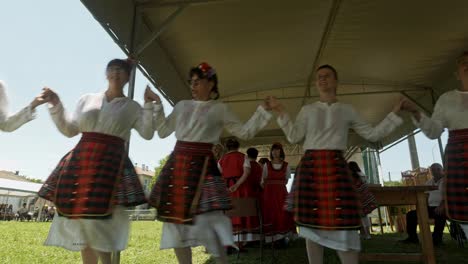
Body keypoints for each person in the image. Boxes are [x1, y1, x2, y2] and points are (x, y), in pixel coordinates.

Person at [269, 64, 404, 264]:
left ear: (336, 81)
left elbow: (372, 134)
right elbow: (293, 135)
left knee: (344, 224)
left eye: (327, 76)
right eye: (319, 77)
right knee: (310, 225)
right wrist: (281, 112)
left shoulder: (347, 109)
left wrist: (395, 112)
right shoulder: (308, 109)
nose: (322, 79)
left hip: (336, 168)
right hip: (310, 168)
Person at [148, 62, 273, 264]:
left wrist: (263, 111)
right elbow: (162, 131)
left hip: (204, 168)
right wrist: (157, 104)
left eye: (198, 82)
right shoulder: (182, 106)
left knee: (212, 225)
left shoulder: (220, 109)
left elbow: (245, 132)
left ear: (211, 83)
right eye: (192, 82)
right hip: (178, 166)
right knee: (176, 224)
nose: (193, 86)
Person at [37, 59, 158, 264]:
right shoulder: (87, 99)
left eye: (122, 69)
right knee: (83, 221)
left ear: (128, 77)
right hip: (82, 160)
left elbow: (147, 133)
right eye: (112, 68)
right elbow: (70, 130)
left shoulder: (132, 106)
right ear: (106, 73)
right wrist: (56, 104)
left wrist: (148, 105)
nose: (116, 72)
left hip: (110, 164)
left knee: (99, 222)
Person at [400, 51, 468, 238]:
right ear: (457, 73)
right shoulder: (447, 99)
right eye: (462, 63)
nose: (467, 65)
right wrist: (416, 113)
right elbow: (434, 131)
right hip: (459, 161)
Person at [400, 163, 446, 246]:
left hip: (444, 206)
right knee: (411, 215)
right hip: (430, 207)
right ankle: (412, 238)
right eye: (433, 170)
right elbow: (425, 196)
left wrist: (442, 206)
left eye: (438, 169)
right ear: (431, 172)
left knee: (440, 214)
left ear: (442, 170)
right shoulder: (429, 182)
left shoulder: (446, 181)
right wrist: (422, 207)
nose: (436, 171)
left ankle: (436, 240)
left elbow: (449, 195)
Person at [261, 143, 296, 245]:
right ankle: (272, 239)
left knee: (283, 214)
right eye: (273, 150)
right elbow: (262, 181)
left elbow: (286, 181)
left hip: (281, 194)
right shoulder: (266, 165)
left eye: (277, 150)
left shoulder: (286, 165)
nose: (275, 152)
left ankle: (282, 238)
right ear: (271, 152)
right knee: (271, 214)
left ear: (281, 152)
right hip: (269, 194)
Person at [348, 161, 377, 240]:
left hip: (360, 199)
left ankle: (365, 234)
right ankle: (366, 234)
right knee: (364, 217)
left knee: (361, 217)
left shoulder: (352, 177)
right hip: (366, 197)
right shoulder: (362, 175)